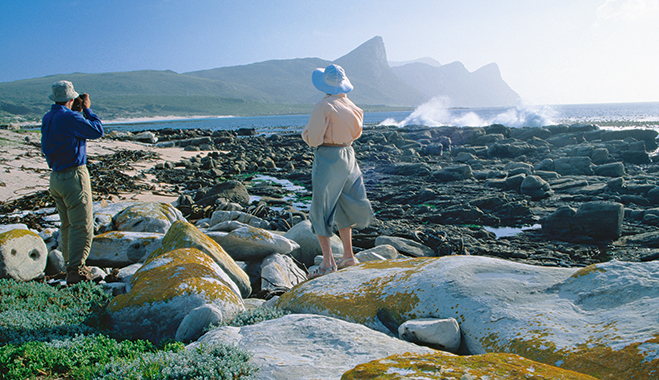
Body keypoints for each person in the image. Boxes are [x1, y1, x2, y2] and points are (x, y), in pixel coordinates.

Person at [301, 64, 374, 279]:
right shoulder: (353, 107)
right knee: (344, 203)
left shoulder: (323, 106)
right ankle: (349, 256)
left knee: (321, 207)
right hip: (348, 154)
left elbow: (313, 139)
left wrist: (305, 133)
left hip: (329, 157)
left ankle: (327, 262)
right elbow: (357, 133)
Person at [41, 80, 104, 285]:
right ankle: (76, 270)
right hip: (73, 175)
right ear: (71, 98)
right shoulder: (69, 117)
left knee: (67, 224)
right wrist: (87, 109)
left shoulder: (48, 117)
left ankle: (69, 264)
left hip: (56, 176)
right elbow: (97, 131)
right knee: (83, 225)